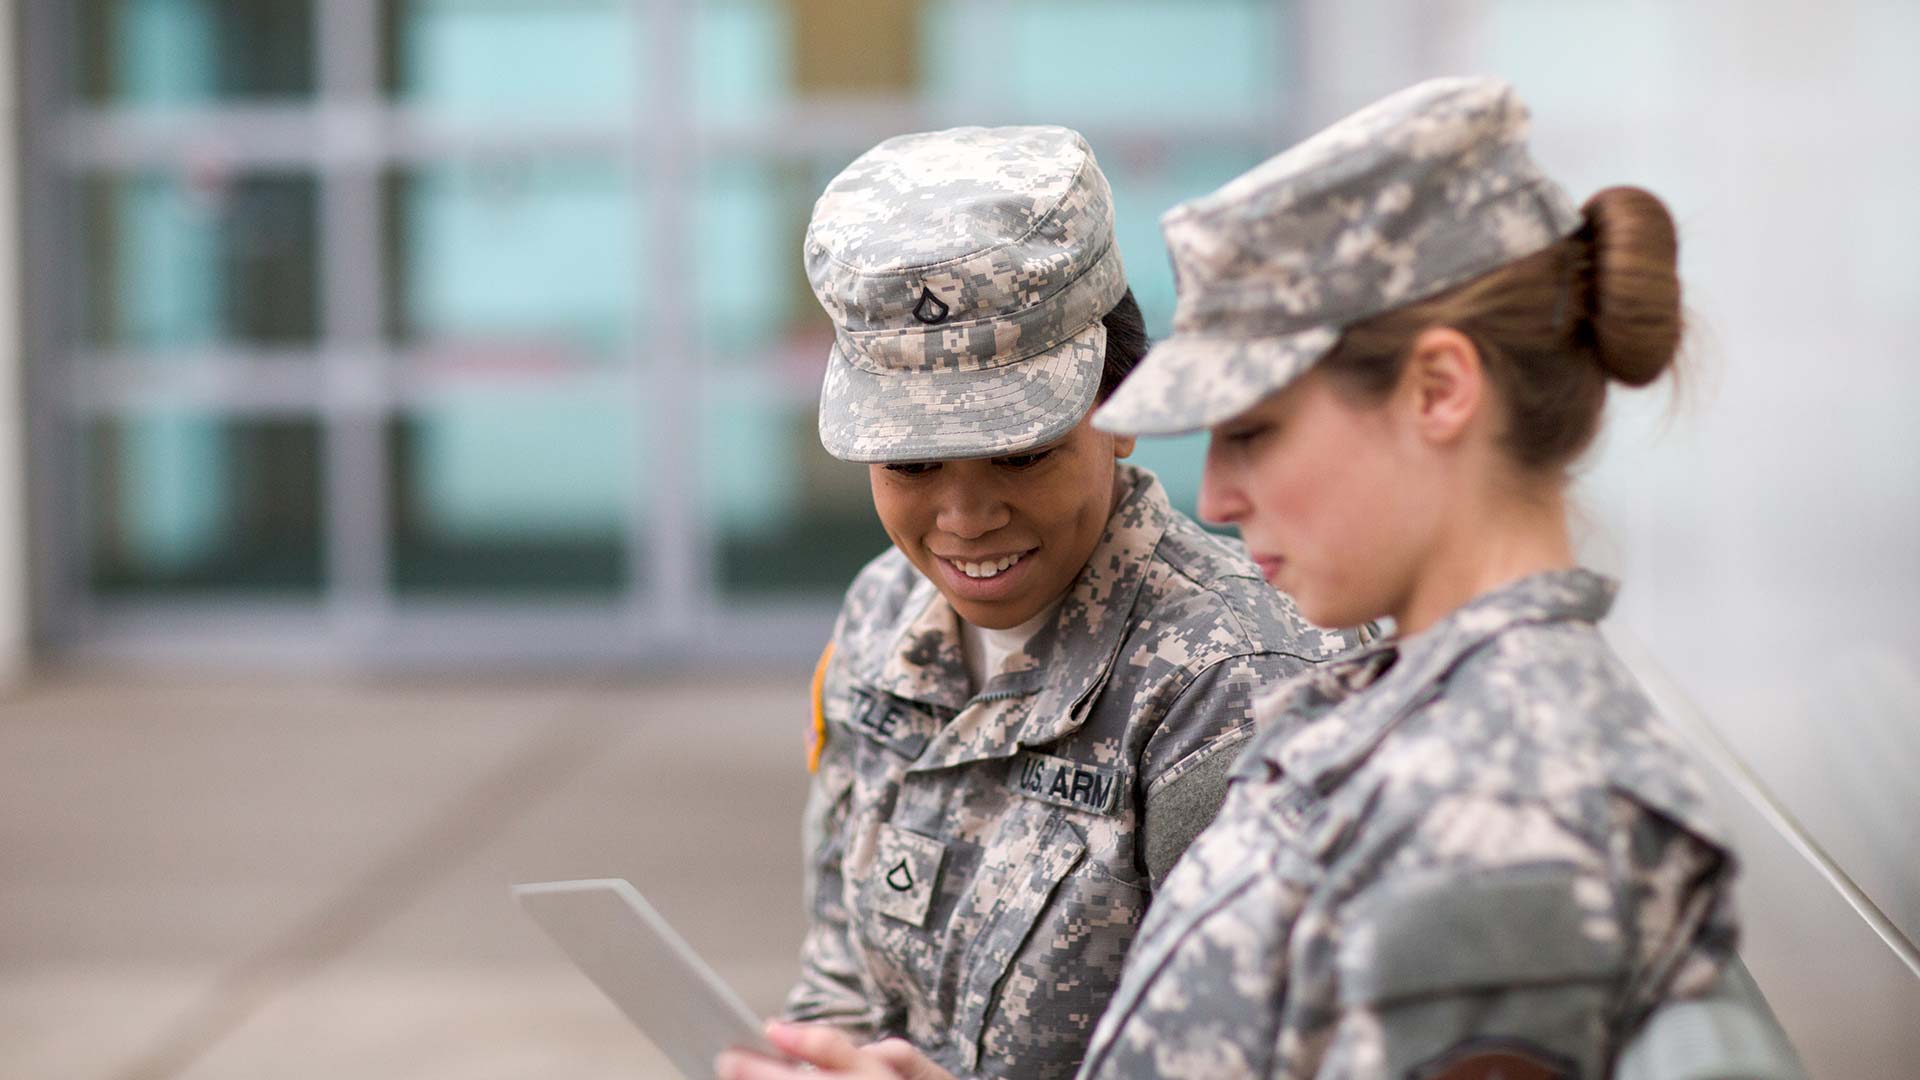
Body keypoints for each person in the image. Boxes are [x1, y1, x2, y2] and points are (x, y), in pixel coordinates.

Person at [723, 78, 1738, 1080]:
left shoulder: (1510, 803)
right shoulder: (1392, 725)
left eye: (1256, 429)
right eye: (912, 461)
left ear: (1438, 393)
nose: (1215, 488)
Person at [778, 125, 1364, 1080]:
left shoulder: (1241, 683)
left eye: (1021, 452)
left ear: (1121, 407)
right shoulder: (883, 616)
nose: (965, 518)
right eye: (913, 463)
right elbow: (841, 968)